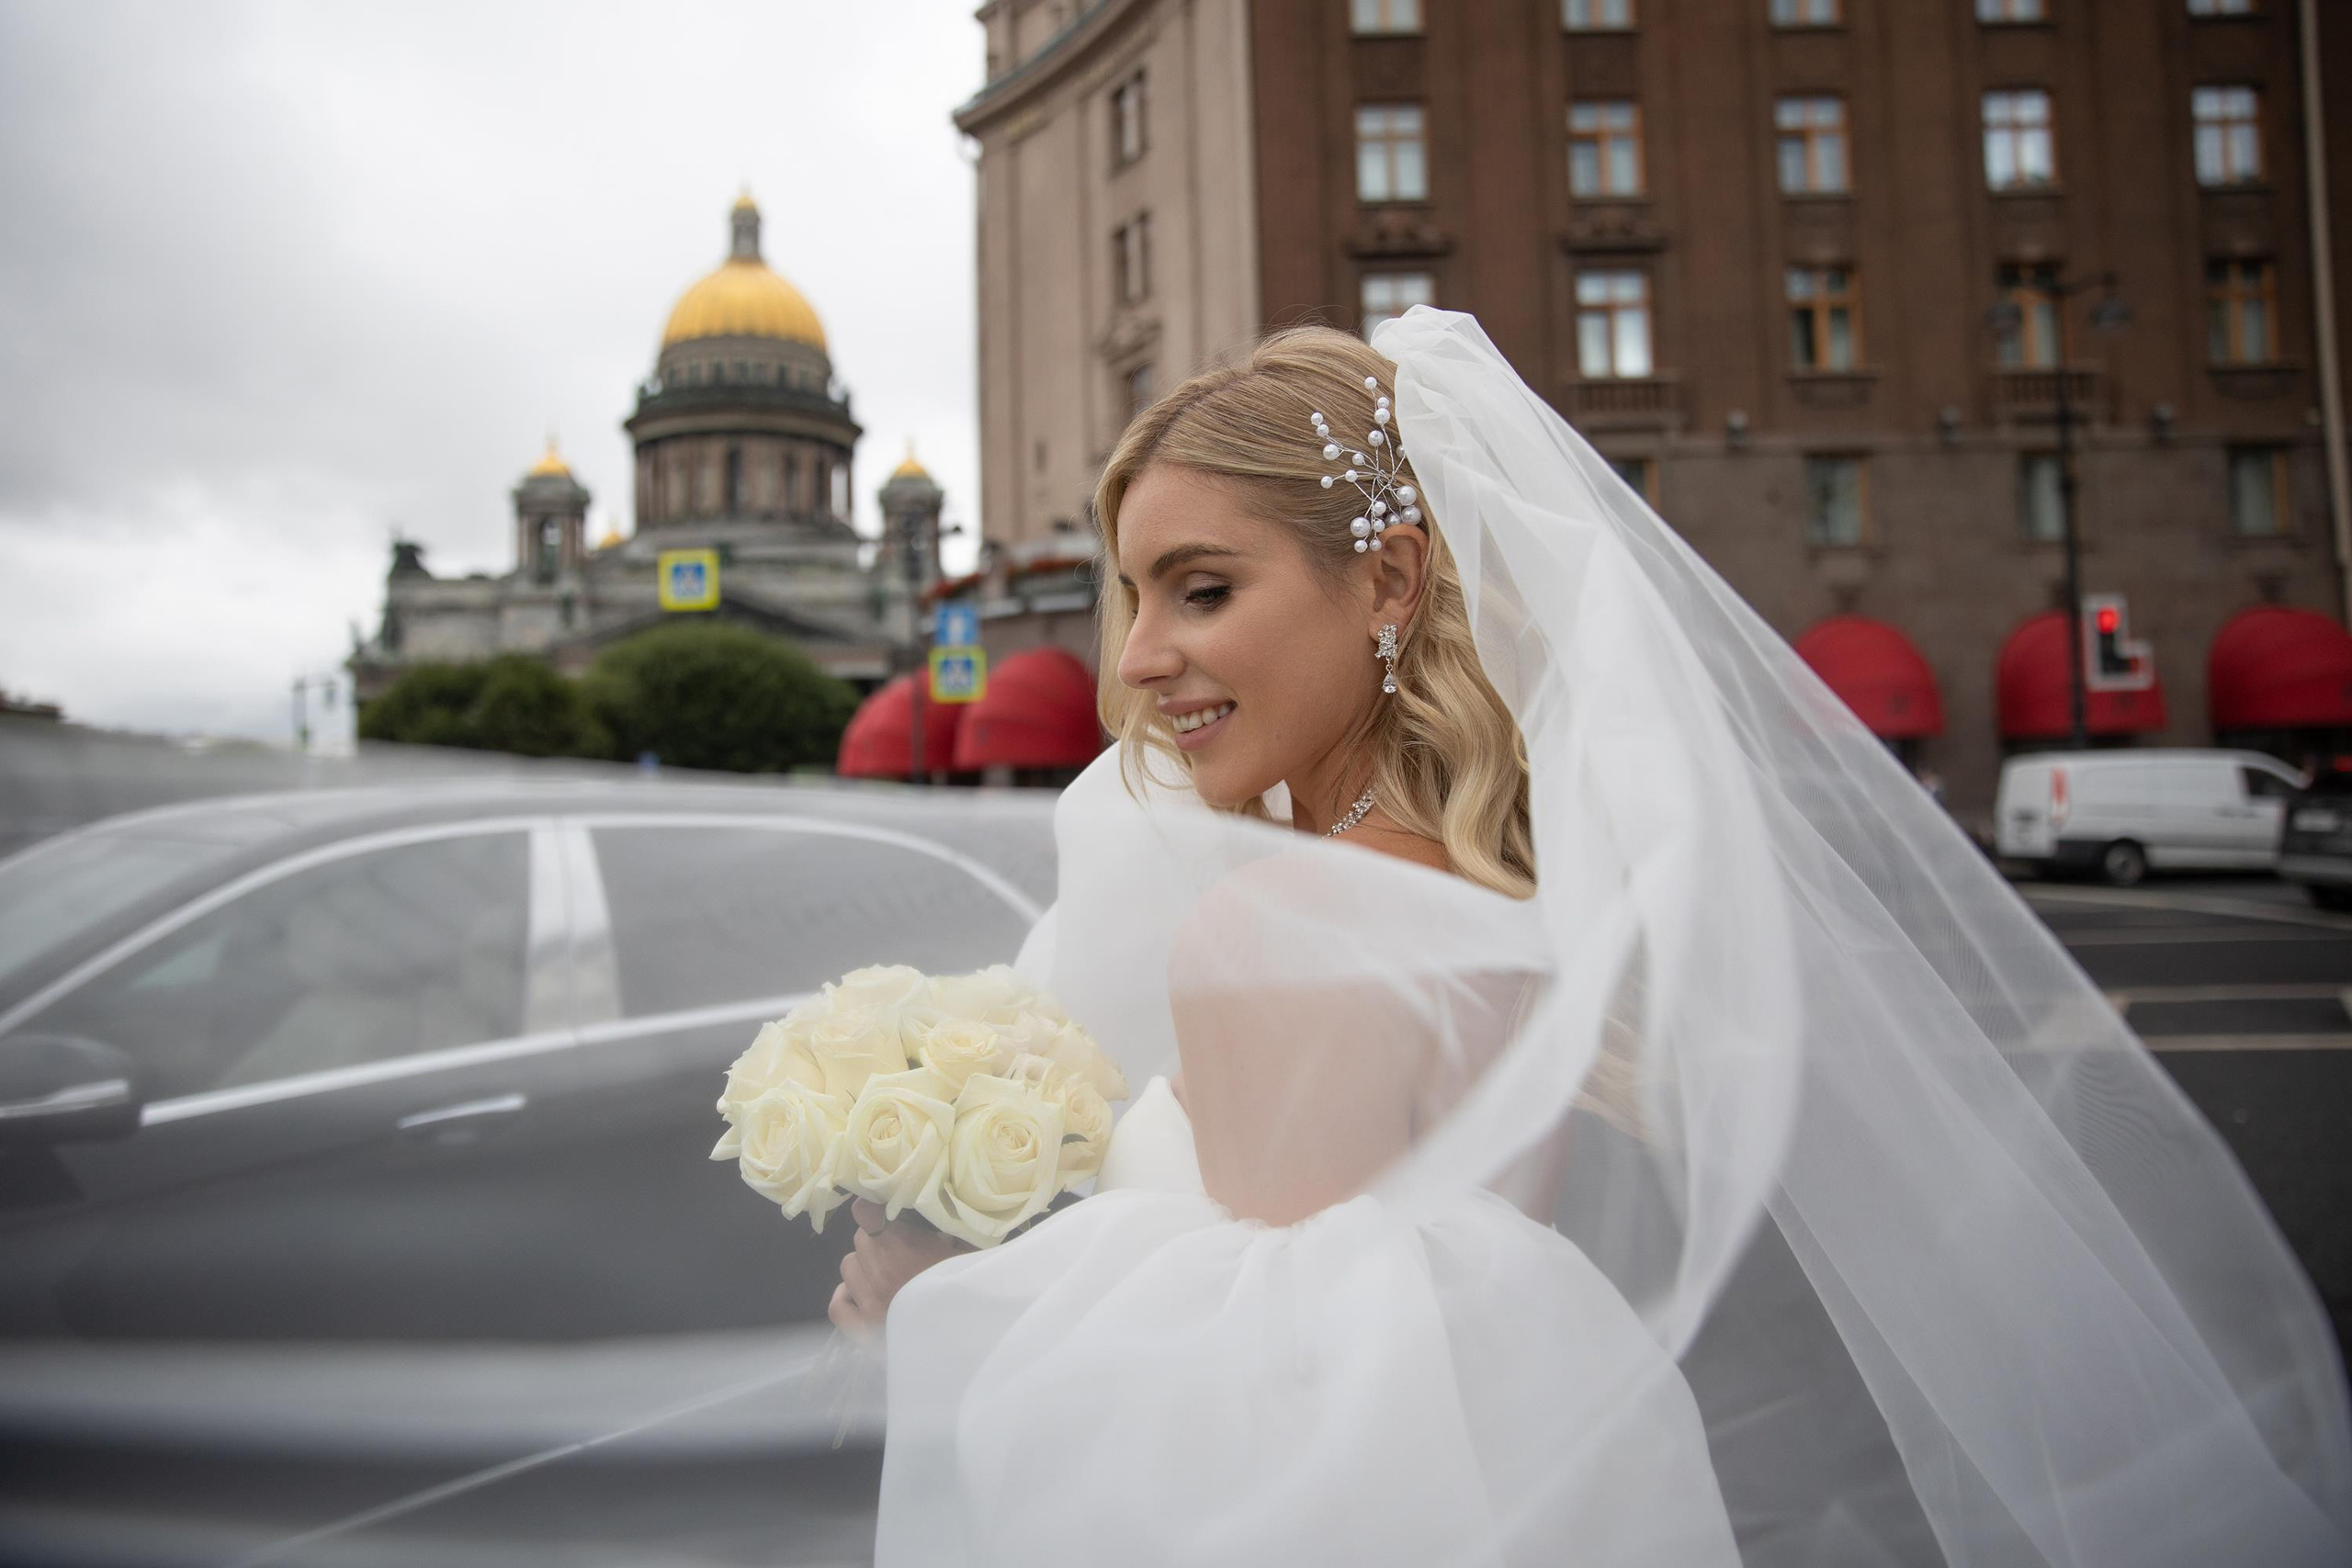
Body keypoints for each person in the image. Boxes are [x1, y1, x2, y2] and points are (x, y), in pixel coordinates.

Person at [845, 310, 2352, 1567]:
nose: (1142, 657)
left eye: (1204, 588)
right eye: (1129, 597)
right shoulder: (1488, 893)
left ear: (1388, 580)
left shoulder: (1272, 930)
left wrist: (939, 1312)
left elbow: (1269, 1441)